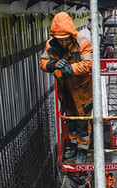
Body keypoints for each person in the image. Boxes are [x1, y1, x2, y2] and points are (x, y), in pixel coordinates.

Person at [40, 12, 93, 163]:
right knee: (70, 120)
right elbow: (43, 63)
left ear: (71, 34)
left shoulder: (83, 44)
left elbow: (87, 65)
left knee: (83, 121)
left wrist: (64, 69)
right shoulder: (51, 45)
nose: (63, 43)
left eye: (66, 39)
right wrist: (54, 64)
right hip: (66, 92)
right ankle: (75, 147)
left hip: (82, 91)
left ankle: (83, 150)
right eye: (60, 40)